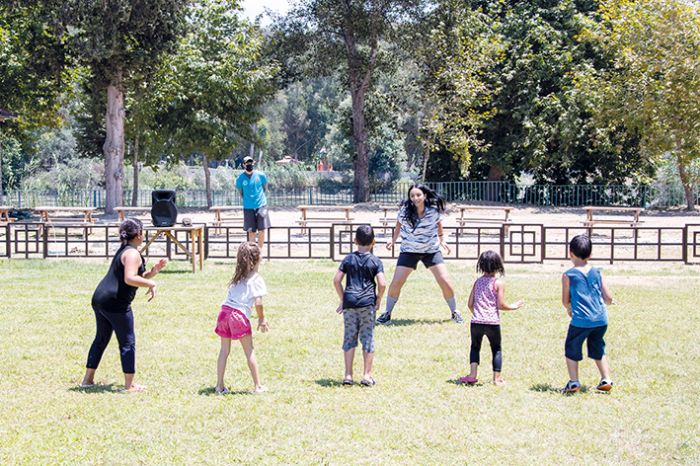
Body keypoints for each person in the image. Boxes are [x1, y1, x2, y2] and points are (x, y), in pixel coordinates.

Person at [80, 218, 167, 392]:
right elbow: (129, 278)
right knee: (127, 341)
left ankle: (87, 380)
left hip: (100, 299)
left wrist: (153, 272)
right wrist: (152, 284)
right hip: (115, 302)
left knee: (101, 338)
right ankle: (129, 385)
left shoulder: (126, 250)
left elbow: (136, 275)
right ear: (139, 234)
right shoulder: (133, 254)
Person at [376, 184, 464, 324]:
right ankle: (387, 313)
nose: (415, 198)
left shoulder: (433, 211)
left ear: (425, 196)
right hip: (409, 250)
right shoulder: (405, 211)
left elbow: (439, 225)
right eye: (412, 196)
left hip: (431, 250)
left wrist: (442, 240)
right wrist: (392, 241)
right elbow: (398, 226)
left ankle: (455, 312)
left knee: (445, 280)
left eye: (418, 195)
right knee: (397, 282)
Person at [459, 251, 523, 386]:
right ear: (498, 266)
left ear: (481, 266)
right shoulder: (498, 283)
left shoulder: (477, 282)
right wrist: (513, 307)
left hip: (476, 321)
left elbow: (470, 304)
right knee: (496, 349)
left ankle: (472, 375)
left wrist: (477, 314)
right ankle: (497, 379)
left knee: (475, 347)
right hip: (492, 322)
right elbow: (501, 304)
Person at [333, 225, 386, 386]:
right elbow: (382, 284)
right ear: (374, 242)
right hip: (367, 304)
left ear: (355, 241)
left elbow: (336, 280)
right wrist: (378, 299)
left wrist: (343, 299)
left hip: (350, 304)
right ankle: (366, 375)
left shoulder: (348, 259)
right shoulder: (375, 261)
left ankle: (348, 375)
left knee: (349, 337)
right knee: (367, 338)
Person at [561, 234, 614, 394]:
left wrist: (570, 308)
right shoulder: (598, 272)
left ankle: (574, 382)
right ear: (590, 254)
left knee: (571, 347)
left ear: (570, 253)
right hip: (601, 319)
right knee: (598, 346)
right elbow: (608, 298)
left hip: (581, 321)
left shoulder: (568, 275)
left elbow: (565, 300)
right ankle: (606, 378)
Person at [215, 242, 269, 394]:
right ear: (256, 259)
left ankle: (219, 386)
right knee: (249, 351)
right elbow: (258, 302)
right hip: (238, 316)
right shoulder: (256, 279)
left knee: (224, 350)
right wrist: (261, 319)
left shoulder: (237, 278)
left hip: (224, 313)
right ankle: (258, 386)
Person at [235, 156, 271, 253]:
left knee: (262, 230)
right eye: (247, 163)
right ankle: (253, 254)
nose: (249, 164)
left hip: (261, 206)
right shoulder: (240, 179)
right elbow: (240, 192)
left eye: (251, 162)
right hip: (248, 207)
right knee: (251, 232)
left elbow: (265, 188)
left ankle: (259, 253)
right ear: (243, 165)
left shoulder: (261, 175)